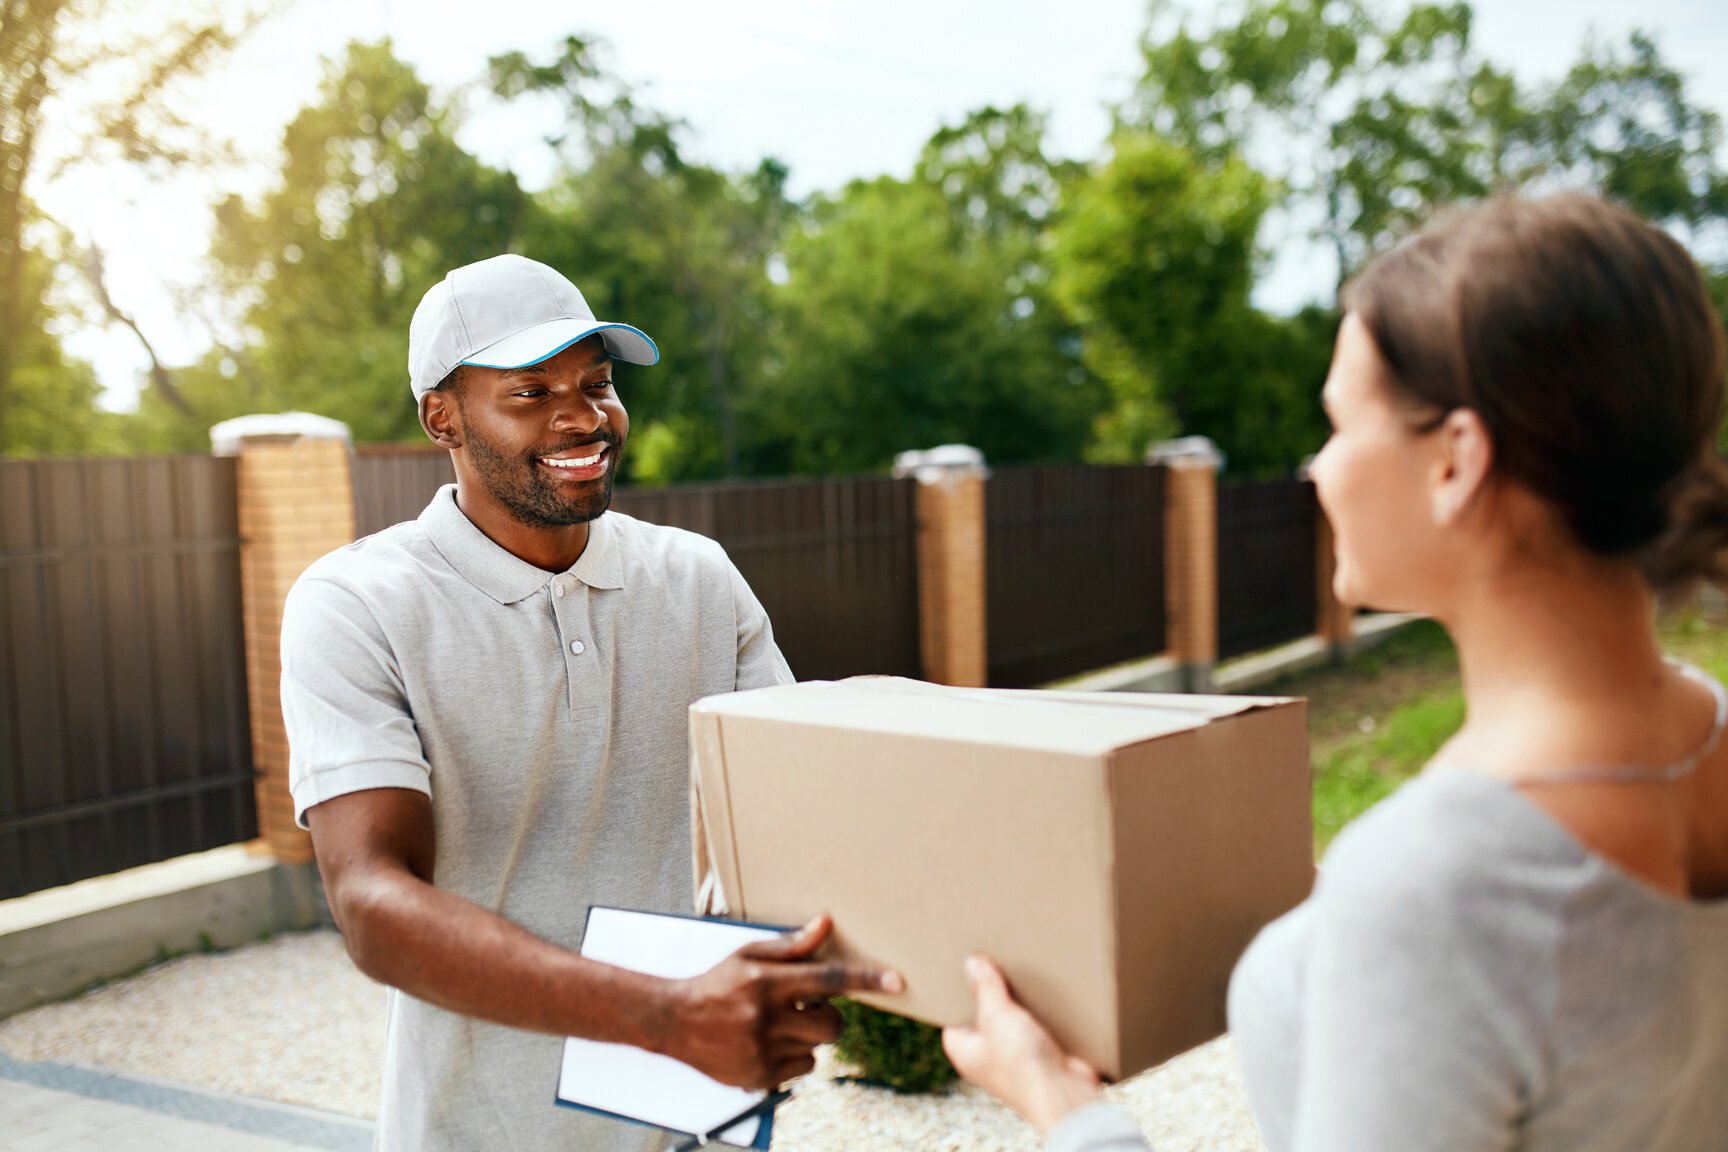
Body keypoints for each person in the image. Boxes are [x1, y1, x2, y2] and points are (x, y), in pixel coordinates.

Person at [942, 194, 1728, 1150]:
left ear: (1456, 460)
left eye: (1339, 425)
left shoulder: (1429, 891)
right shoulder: (1703, 737)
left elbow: (1465, 921)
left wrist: (1066, 1111)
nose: (1317, 470)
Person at [281, 254, 901, 1152]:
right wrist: (663, 1013)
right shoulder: (357, 603)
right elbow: (373, 903)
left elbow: (792, 815)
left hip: (700, 1120)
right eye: (530, 392)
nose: (583, 416)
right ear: (441, 417)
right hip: (480, 1130)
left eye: (597, 383)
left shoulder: (696, 576)